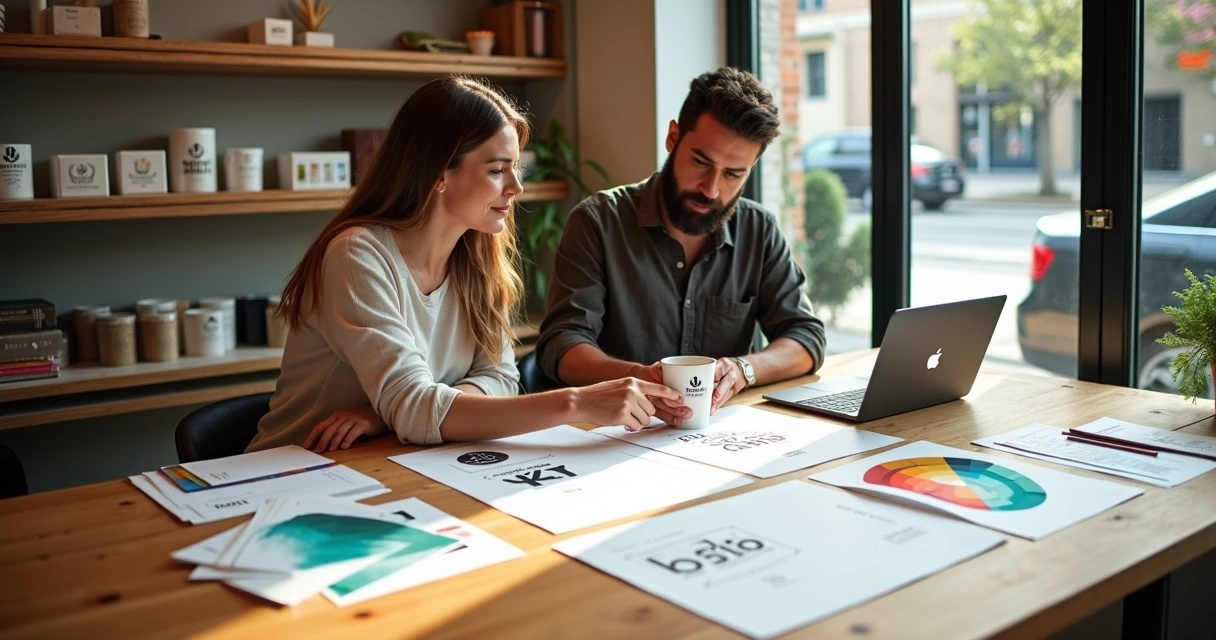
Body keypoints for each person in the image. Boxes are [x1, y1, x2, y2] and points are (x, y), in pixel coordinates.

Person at [247, 76, 682, 454]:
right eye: (497, 170)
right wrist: (579, 403)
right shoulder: (357, 255)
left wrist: (389, 414)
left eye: (516, 170)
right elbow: (416, 409)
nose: (515, 188)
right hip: (294, 472)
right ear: (438, 173)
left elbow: (500, 377)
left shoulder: (476, 256)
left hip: (388, 458)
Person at [536, 67, 826, 427]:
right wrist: (637, 378)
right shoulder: (598, 222)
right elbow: (560, 345)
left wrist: (743, 369)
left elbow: (805, 337)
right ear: (673, 137)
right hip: (615, 433)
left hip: (721, 437)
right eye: (701, 162)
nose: (711, 189)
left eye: (734, 173)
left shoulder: (759, 229)